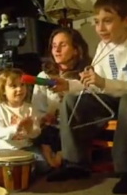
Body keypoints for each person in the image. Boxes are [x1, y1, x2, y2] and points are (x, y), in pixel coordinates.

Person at [46, 0, 127, 194]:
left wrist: (103, 82)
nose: (100, 28)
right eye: (97, 22)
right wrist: (68, 85)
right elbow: (93, 85)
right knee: (70, 100)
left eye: (108, 21)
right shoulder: (104, 46)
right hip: (112, 98)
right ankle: (75, 164)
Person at [31, 27, 91, 168]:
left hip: (76, 127)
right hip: (51, 129)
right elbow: (37, 109)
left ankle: (63, 158)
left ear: (76, 49)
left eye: (63, 45)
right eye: (54, 46)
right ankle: (54, 158)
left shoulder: (87, 74)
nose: (57, 50)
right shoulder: (43, 77)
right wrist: (45, 118)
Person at [0, 68, 49, 175]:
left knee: (43, 166)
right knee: (4, 168)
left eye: (22, 85)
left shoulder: (30, 108)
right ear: (3, 90)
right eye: (13, 86)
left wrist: (30, 130)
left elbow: (37, 131)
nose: (19, 89)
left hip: (26, 148)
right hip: (5, 149)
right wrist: (16, 128)